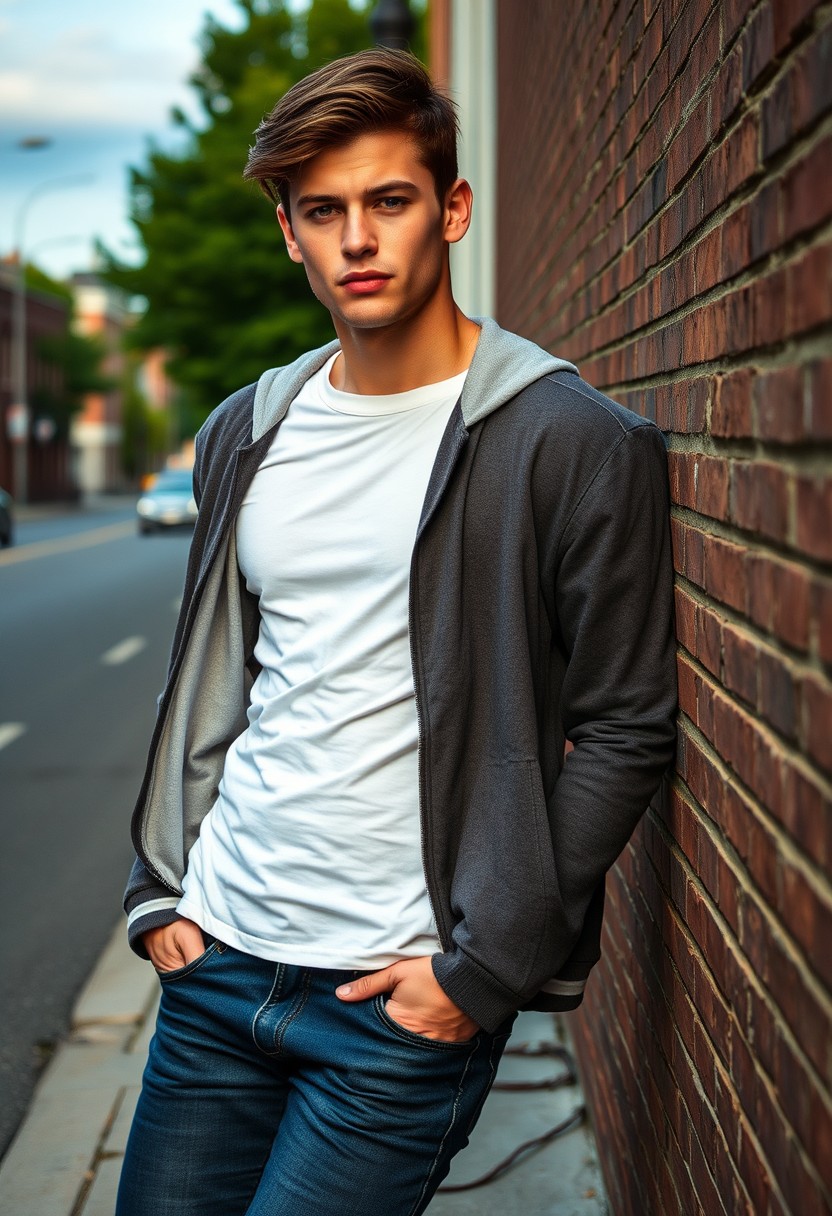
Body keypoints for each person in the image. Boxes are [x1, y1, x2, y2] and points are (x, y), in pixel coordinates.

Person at [116, 47, 677, 1216]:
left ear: (452, 209)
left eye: (389, 201)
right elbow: (216, 680)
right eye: (323, 211)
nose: (356, 240)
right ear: (290, 234)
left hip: (395, 1004)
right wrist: (159, 893)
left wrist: (479, 972)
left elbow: (626, 727)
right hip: (218, 964)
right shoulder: (247, 430)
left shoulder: (564, 438)